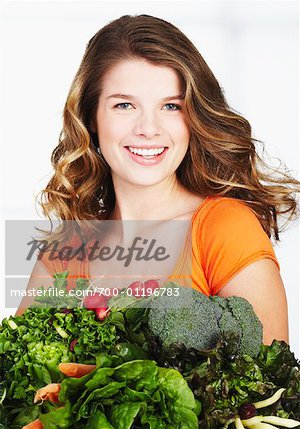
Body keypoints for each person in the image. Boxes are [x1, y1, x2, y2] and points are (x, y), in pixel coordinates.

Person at [16, 14, 299, 347]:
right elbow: (17, 378)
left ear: (194, 117)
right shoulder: (66, 251)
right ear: (91, 116)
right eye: (124, 105)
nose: (148, 128)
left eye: (170, 106)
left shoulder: (224, 228)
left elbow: (268, 387)